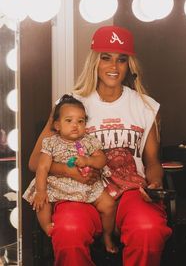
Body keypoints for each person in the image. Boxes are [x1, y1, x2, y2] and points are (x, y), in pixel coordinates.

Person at [29, 25, 172, 266]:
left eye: (121, 60)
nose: (113, 67)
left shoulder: (145, 106)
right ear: (95, 61)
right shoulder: (70, 105)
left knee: (148, 228)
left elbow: (152, 163)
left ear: (129, 65)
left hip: (130, 190)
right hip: (80, 190)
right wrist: (69, 171)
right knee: (69, 231)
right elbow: (35, 162)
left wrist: (155, 182)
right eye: (106, 58)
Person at [23, 95, 117, 253]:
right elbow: (42, 168)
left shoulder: (88, 141)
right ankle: (47, 227)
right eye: (69, 121)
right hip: (58, 185)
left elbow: (101, 160)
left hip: (87, 185)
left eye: (80, 121)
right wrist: (41, 191)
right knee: (41, 202)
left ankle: (107, 235)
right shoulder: (51, 142)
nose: (75, 125)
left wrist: (88, 161)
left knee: (109, 204)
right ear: (57, 125)